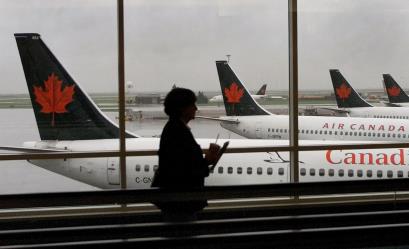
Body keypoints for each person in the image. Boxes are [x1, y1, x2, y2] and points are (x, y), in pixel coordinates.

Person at [151, 87, 221, 221]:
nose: (196, 108)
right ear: (182, 108)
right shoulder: (178, 132)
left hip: (177, 200)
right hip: (181, 202)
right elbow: (185, 170)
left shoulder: (173, 128)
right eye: (192, 105)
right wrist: (207, 161)